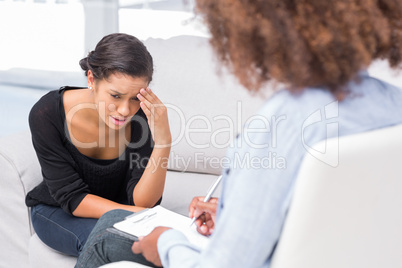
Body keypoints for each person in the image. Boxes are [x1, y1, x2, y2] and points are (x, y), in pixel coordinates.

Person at [76, 0, 402, 267]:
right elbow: (340, 212)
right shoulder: (393, 105)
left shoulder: (284, 120)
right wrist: (236, 210)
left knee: (108, 232)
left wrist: (167, 243)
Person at [25, 33, 171, 264]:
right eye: (115, 95)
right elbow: (72, 198)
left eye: (135, 98)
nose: (125, 110)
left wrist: (163, 143)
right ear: (91, 79)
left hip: (121, 214)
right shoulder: (47, 113)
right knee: (108, 242)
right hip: (58, 212)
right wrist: (135, 216)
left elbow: (142, 202)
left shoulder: (142, 116)